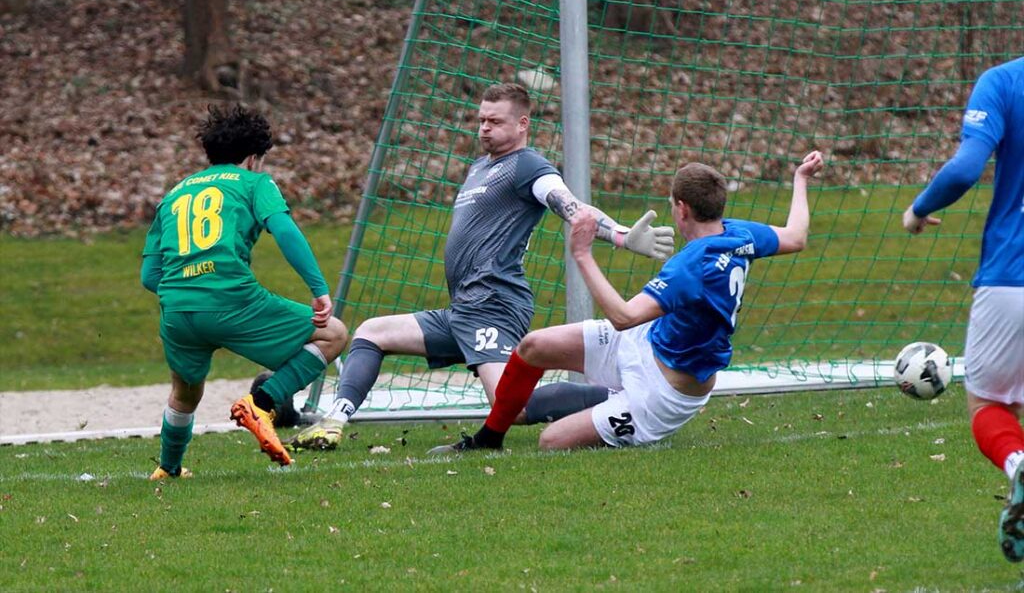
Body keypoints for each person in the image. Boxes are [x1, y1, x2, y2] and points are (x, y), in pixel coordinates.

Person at [289, 82, 674, 450]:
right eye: (482, 120)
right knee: (373, 332)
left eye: (495, 121)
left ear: (522, 124)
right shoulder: (480, 166)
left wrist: (621, 236)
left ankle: (626, 398)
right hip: (464, 308)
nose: (484, 128)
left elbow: (569, 205)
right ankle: (334, 421)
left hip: (494, 303)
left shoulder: (528, 166)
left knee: (514, 408)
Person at [429, 150, 824, 454]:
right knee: (534, 346)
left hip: (663, 393)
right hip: (646, 342)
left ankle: (615, 402)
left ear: (681, 208)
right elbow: (796, 236)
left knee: (552, 441)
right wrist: (800, 179)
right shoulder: (737, 233)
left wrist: (582, 255)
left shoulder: (691, 266)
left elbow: (622, 316)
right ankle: (487, 440)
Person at [141, 105, 348, 478]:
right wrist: (318, 289)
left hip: (177, 310)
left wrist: (186, 293)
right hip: (232, 301)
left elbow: (148, 275)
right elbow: (284, 230)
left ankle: (168, 469)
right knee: (334, 334)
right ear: (254, 158)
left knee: (185, 394)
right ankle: (261, 404)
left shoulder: (173, 196)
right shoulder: (255, 183)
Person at [901, 56, 1024, 562]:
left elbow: (966, 167)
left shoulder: (1004, 82)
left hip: (1012, 277)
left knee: (989, 403)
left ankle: (1018, 468)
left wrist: (919, 208)